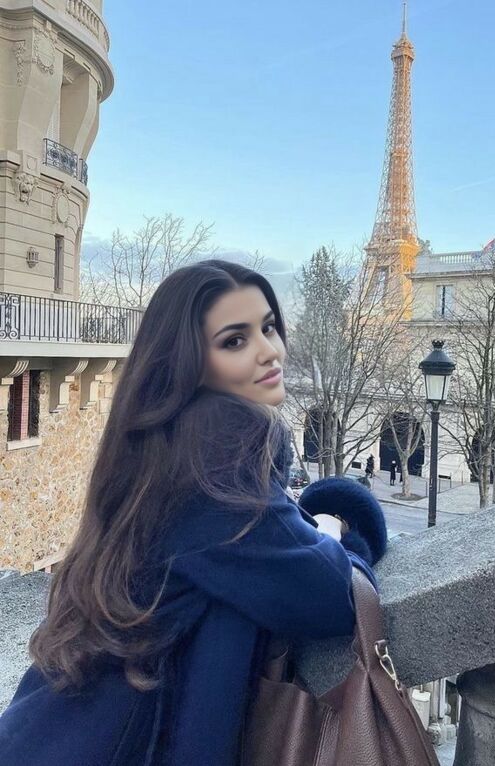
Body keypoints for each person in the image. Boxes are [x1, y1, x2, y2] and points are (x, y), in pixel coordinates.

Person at [0, 260, 386, 766]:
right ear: (189, 362)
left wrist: (298, 521)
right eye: (235, 340)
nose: (268, 350)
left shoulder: (154, 445)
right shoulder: (216, 457)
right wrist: (342, 523)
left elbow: (260, 551)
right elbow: (329, 596)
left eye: (269, 327)